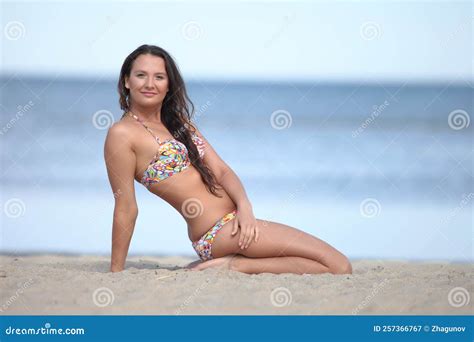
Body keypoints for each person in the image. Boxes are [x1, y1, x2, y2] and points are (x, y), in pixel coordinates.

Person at [104, 44, 352, 275]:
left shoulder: (179, 123)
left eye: (159, 77)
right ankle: (234, 264)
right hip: (217, 233)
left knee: (329, 264)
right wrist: (116, 272)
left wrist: (245, 207)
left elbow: (221, 171)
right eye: (141, 75)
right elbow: (126, 206)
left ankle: (235, 263)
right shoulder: (122, 134)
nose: (150, 83)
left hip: (236, 222)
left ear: (169, 85)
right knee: (339, 266)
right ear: (126, 81)